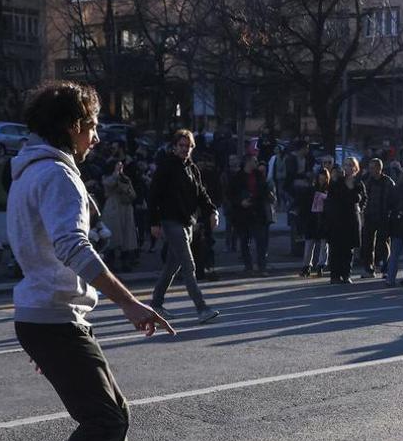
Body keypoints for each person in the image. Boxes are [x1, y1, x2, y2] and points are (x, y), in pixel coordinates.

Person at [6, 81, 175, 441]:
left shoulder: (27, 172)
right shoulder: (57, 176)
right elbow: (71, 247)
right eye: (92, 126)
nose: (96, 137)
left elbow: (34, 251)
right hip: (54, 317)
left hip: (48, 315)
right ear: (71, 127)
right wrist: (130, 304)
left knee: (113, 411)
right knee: (103, 419)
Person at [147, 129, 219, 323]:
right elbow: (153, 195)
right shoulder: (167, 167)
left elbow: (201, 194)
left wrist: (212, 211)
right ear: (174, 146)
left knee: (172, 266)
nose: (185, 149)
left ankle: (155, 305)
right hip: (171, 221)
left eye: (188, 146)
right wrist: (153, 222)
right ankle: (202, 308)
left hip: (187, 222)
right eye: (181, 145)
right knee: (189, 265)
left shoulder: (192, 168)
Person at [323, 157, 364, 284]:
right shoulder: (337, 181)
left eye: (351, 165)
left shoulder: (358, 183)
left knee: (348, 249)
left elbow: (362, 199)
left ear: (355, 168)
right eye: (346, 165)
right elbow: (332, 197)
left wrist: (359, 208)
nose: (348, 167)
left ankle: (346, 274)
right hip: (337, 219)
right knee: (336, 248)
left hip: (351, 218)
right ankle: (335, 275)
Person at [230, 153, 273, 276]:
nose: (256, 163)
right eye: (254, 161)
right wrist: (240, 202)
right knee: (244, 241)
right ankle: (248, 266)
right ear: (248, 162)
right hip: (242, 213)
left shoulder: (259, 175)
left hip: (257, 212)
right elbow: (230, 194)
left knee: (261, 241)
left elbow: (264, 190)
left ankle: (262, 266)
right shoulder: (237, 177)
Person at [99, 160, 140, 272]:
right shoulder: (107, 177)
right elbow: (108, 184)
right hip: (113, 208)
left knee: (127, 237)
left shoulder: (125, 178)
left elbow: (133, 193)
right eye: (118, 165)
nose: (120, 167)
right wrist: (116, 174)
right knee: (113, 236)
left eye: (121, 165)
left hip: (126, 208)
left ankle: (125, 262)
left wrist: (126, 189)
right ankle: (110, 262)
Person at [359, 157, 392, 278]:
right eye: (370, 168)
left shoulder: (388, 182)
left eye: (373, 168)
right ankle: (369, 268)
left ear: (380, 168)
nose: (371, 170)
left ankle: (386, 268)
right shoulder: (367, 181)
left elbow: (392, 199)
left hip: (384, 216)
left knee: (383, 243)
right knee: (368, 244)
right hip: (369, 216)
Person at [300, 162, 330, 277]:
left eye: (324, 179)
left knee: (323, 244)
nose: (322, 181)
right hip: (313, 219)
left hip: (323, 220)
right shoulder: (311, 190)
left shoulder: (329, 190)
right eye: (320, 179)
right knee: (310, 244)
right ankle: (307, 266)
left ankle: (321, 265)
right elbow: (306, 204)